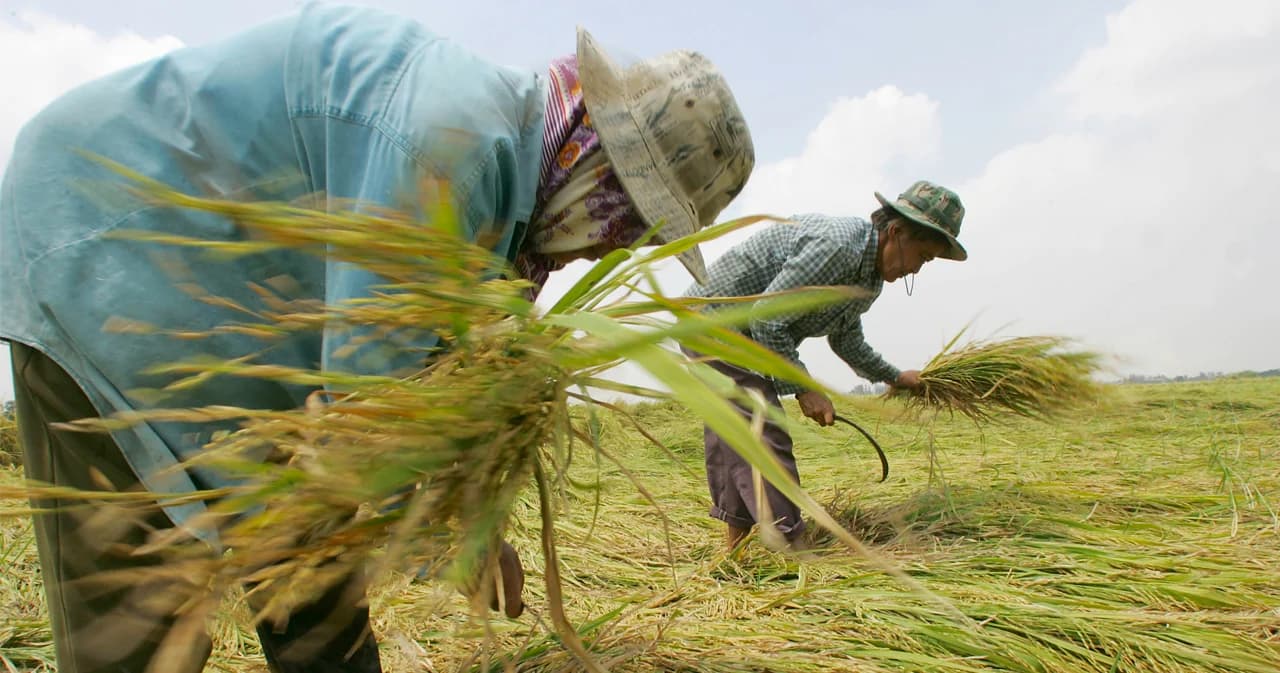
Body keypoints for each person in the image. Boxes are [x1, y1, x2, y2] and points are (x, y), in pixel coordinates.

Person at [0, 3, 755, 671]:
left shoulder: (502, 192)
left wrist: (471, 522)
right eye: (626, 218)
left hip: (243, 336)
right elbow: (371, 411)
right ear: (587, 158)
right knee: (140, 616)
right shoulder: (455, 148)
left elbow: (402, 403)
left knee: (312, 566)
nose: (608, 249)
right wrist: (460, 544)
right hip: (98, 248)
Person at [682, 181, 966, 550]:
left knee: (735, 434)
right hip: (713, 321)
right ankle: (792, 548)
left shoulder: (868, 278)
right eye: (923, 257)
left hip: (740, 333)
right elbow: (767, 318)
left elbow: (847, 339)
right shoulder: (838, 247)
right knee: (762, 428)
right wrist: (804, 388)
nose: (917, 269)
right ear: (896, 232)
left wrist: (894, 376)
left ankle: (735, 546)